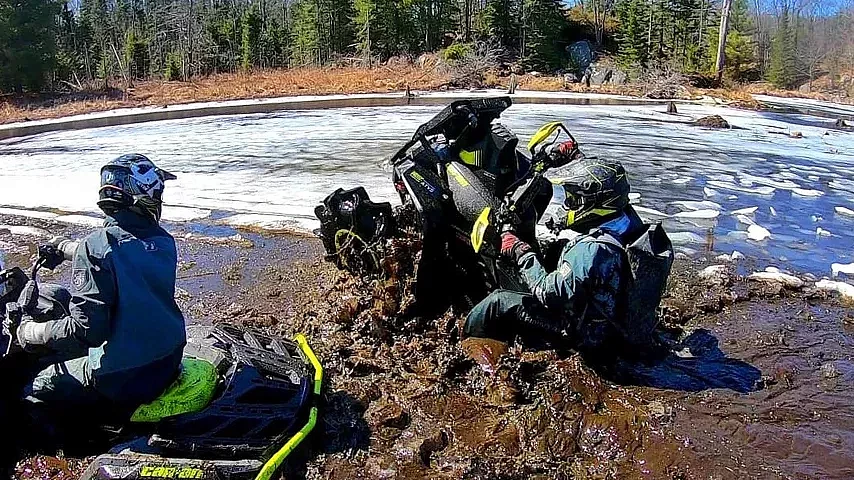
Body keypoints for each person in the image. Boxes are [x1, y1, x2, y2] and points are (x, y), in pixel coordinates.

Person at [8, 154, 187, 432]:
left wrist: (30, 332)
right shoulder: (163, 241)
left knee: (36, 385)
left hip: (125, 376)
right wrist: (68, 249)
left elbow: (87, 332)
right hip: (168, 357)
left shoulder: (96, 246)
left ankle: (76, 441)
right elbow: (125, 250)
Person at [464, 157, 673, 353]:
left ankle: (468, 346)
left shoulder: (591, 250)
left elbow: (547, 293)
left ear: (595, 202)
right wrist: (573, 157)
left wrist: (520, 251)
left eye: (574, 200)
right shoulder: (627, 218)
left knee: (498, 302)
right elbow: (602, 183)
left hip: (587, 335)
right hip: (615, 316)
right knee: (558, 248)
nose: (568, 205)